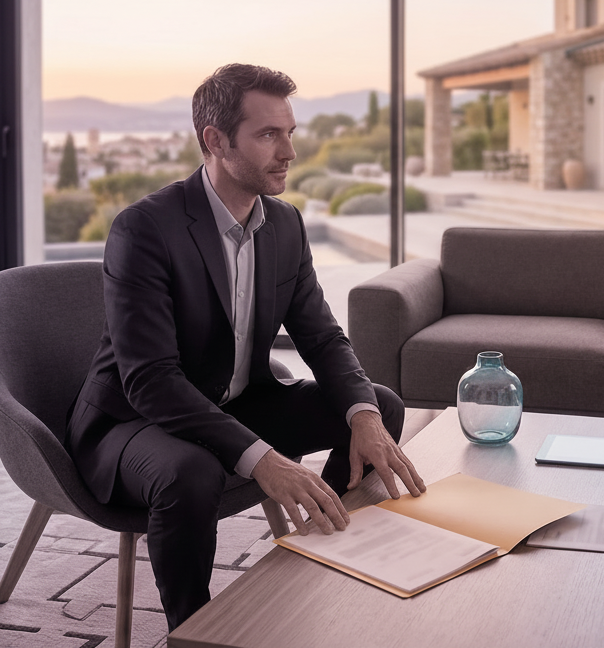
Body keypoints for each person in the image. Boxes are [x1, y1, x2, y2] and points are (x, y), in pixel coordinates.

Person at [65, 63, 425, 631]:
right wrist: (265, 461)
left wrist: (361, 413)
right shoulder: (144, 229)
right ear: (214, 140)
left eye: (290, 133)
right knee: (190, 472)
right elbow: (151, 379)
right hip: (132, 422)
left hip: (234, 402)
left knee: (378, 408)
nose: (288, 151)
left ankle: (313, 560)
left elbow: (323, 337)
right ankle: (195, 629)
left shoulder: (285, 225)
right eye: (268, 135)